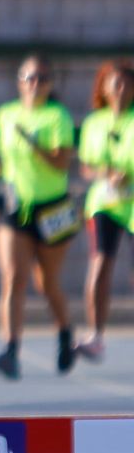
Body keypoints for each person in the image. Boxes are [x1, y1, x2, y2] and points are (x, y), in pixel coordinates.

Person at [0, 54, 78, 378]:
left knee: (47, 282)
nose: (35, 84)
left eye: (42, 78)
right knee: (13, 277)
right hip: (16, 205)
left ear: (50, 84)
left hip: (52, 208)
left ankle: (65, 332)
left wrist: (35, 146)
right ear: (19, 82)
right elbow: (9, 157)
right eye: (29, 78)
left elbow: (61, 162)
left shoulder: (57, 117)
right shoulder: (6, 114)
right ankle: (10, 350)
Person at [76, 58, 134, 361]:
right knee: (100, 264)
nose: (121, 88)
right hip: (106, 203)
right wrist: (106, 174)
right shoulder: (94, 123)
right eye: (115, 83)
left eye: (126, 82)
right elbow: (86, 167)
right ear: (105, 88)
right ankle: (96, 334)